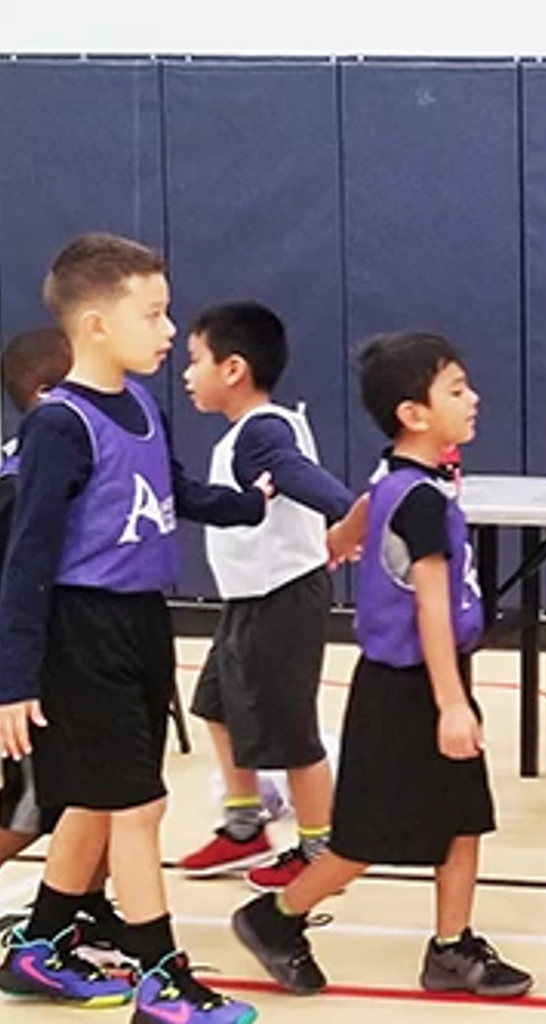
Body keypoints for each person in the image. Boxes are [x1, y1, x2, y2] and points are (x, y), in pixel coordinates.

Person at [0, 233, 267, 1023]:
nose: (165, 329)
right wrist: (12, 680)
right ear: (93, 325)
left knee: (93, 799)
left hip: (143, 622)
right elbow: (27, 559)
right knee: (139, 808)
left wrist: (249, 503)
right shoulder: (59, 426)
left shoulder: (143, 407)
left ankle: (37, 948)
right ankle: (162, 982)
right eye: (151, 314)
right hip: (80, 630)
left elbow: (170, 491)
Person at [232, 331, 533, 1001]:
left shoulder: (406, 477)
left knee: (462, 819)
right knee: (363, 839)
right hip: (409, 689)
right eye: (456, 389)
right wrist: (452, 704)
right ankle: (275, 918)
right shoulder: (421, 500)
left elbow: (371, 501)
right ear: (413, 414)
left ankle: (451, 947)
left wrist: (344, 538)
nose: (473, 397)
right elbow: (431, 608)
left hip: (429, 679)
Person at [177, 301, 356, 893]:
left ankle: (317, 848)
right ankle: (244, 824)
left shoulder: (263, 432)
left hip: (281, 601)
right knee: (217, 708)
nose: (186, 373)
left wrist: (350, 513)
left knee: (291, 732)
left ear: (233, 369)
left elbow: (294, 472)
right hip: (249, 600)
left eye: (195, 360)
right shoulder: (253, 430)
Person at [0, 328, 70, 875]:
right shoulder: (25, 481)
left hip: (65, 655)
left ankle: (80, 906)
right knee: (31, 807)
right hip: (23, 664)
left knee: (91, 796)